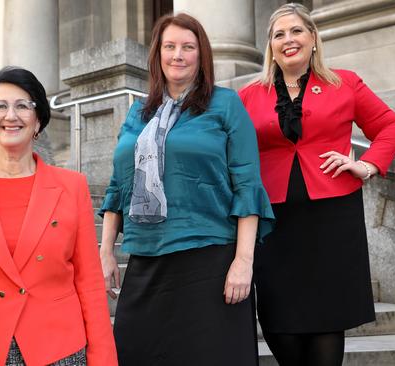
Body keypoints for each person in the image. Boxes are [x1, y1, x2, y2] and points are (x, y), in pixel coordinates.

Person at [99, 13, 275, 366]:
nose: (177, 55)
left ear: (201, 55)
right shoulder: (138, 113)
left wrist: (243, 261)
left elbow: (247, 183)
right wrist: (105, 251)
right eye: (170, 46)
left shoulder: (225, 104)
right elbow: (119, 186)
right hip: (146, 257)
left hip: (209, 258)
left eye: (188, 47)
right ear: (157, 54)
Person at [238, 3, 395, 365]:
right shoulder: (250, 95)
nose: (289, 40)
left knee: (326, 319)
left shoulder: (344, 82)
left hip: (332, 217)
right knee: (277, 322)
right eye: (279, 34)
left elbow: (392, 127)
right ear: (271, 45)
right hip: (274, 221)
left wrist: (367, 166)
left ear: (313, 37)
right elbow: (230, 151)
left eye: (297, 31)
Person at [0, 67, 117, 366]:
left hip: (58, 349)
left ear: (38, 120)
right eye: (0, 106)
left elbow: (89, 284)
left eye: (23, 106)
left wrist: (103, 360)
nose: (10, 116)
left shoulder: (71, 186)